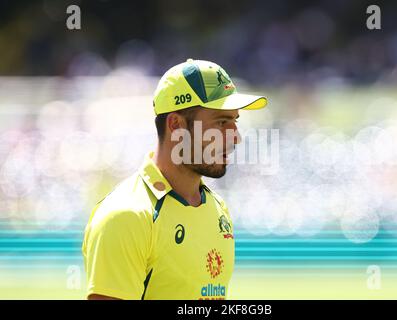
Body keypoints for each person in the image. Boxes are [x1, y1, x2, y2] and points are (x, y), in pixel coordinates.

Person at [82, 59, 267, 300]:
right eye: (221, 122)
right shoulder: (126, 215)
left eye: (235, 122)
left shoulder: (218, 209)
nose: (235, 138)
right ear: (176, 125)